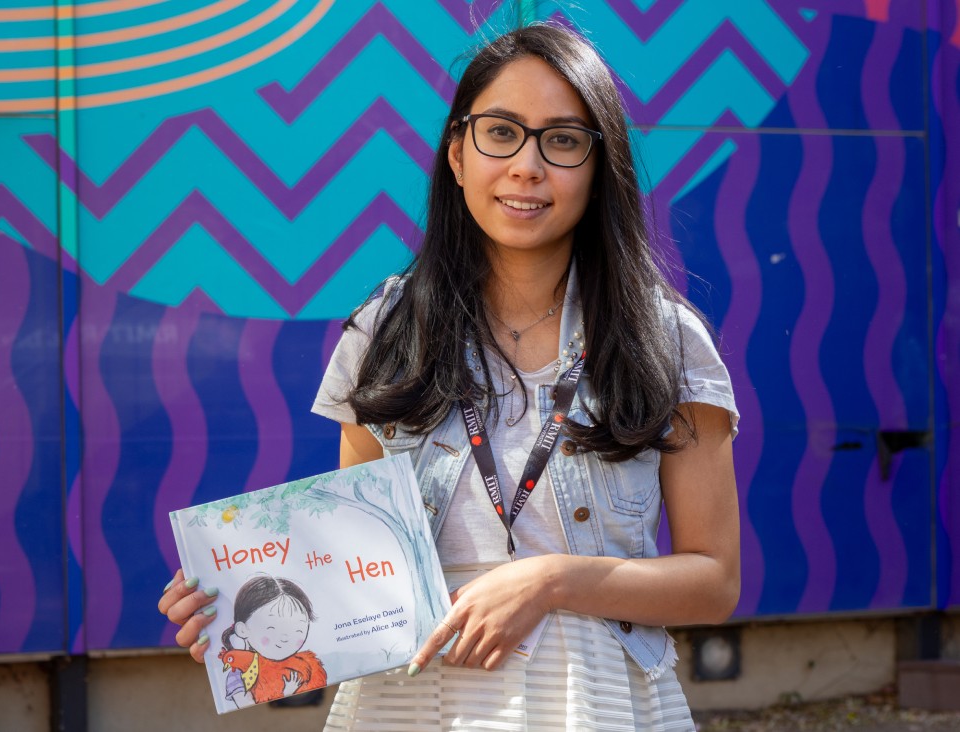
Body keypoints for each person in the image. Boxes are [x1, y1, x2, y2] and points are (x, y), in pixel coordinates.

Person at [160, 21, 739, 731]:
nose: (527, 166)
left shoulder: (664, 338)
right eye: (501, 132)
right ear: (458, 154)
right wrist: (238, 612)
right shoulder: (384, 330)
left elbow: (714, 581)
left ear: (598, 167)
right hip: (409, 707)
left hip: (599, 705)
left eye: (562, 140)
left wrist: (552, 581)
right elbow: (352, 572)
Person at [217, 575, 325, 708]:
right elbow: (245, 703)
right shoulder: (237, 675)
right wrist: (285, 693)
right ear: (243, 630)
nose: (285, 638)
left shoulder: (304, 663)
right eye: (271, 628)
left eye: (297, 630)